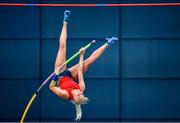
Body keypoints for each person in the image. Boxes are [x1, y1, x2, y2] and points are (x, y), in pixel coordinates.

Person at [49, 10, 118, 121]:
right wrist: (81, 55)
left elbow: (51, 87)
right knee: (88, 62)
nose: (79, 91)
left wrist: (56, 76)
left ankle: (65, 21)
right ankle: (108, 43)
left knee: (62, 46)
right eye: (81, 93)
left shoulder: (65, 94)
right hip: (70, 76)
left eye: (78, 94)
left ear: (74, 98)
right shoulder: (81, 88)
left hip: (59, 77)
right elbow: (80, 71)